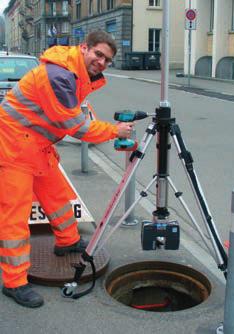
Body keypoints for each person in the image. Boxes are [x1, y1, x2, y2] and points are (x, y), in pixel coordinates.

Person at [0, 31, 134, 308]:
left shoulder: (75, 72)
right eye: (98, 54)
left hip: (33, 144)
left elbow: (77, 113)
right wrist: (114, 131)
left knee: (57, 196)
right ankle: (14, 283)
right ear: (84, 48)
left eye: (107, 60)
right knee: (14, 217)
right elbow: (78, 127)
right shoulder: (60, 76)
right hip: (11, 146)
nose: (102, 63)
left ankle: (67, 241)